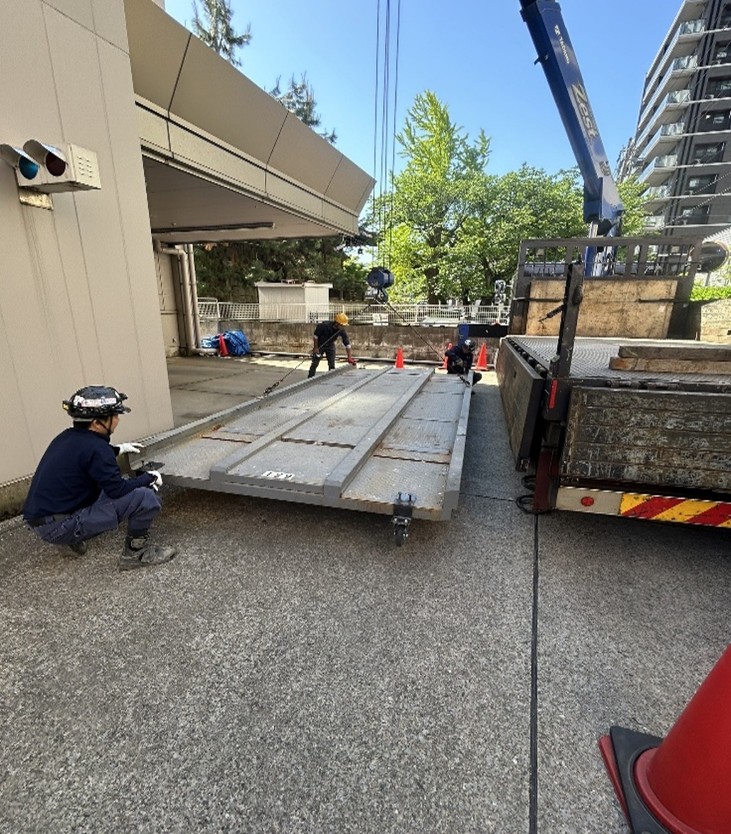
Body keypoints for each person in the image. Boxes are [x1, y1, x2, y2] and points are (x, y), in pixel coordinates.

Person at [22, 385, 176, 571]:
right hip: (58, 527)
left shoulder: (67, 437)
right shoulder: (97, 449)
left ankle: (68, 541)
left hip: (42, 520)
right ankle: (135, 554)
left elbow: (87, 456)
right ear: (96, 423)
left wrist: (119, 449)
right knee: (145, 497)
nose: (118, 420)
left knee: (106, 484)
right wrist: (148, 478)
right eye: (115, 415)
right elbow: (117, 490)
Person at [308, 312, 356, 378]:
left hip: (330, 345)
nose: (343, 327)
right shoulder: (324, 326)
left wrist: (349, 357)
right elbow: (315, 337)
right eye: (342, 325)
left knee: (331, 364)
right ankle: (310, 377)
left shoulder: (341, 330)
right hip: (320, 345)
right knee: (315, 363)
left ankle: (331, 378)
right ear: (337, 323)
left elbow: (347, 343)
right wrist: (316, 348)